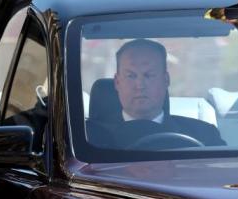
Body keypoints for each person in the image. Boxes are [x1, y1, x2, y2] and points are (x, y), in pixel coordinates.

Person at [89, 38, 225, 147]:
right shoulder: (85, 138)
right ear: (117, 82)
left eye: (149, 75)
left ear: (166, 80)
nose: (140, 85)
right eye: (131, 76)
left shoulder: (203, 134)